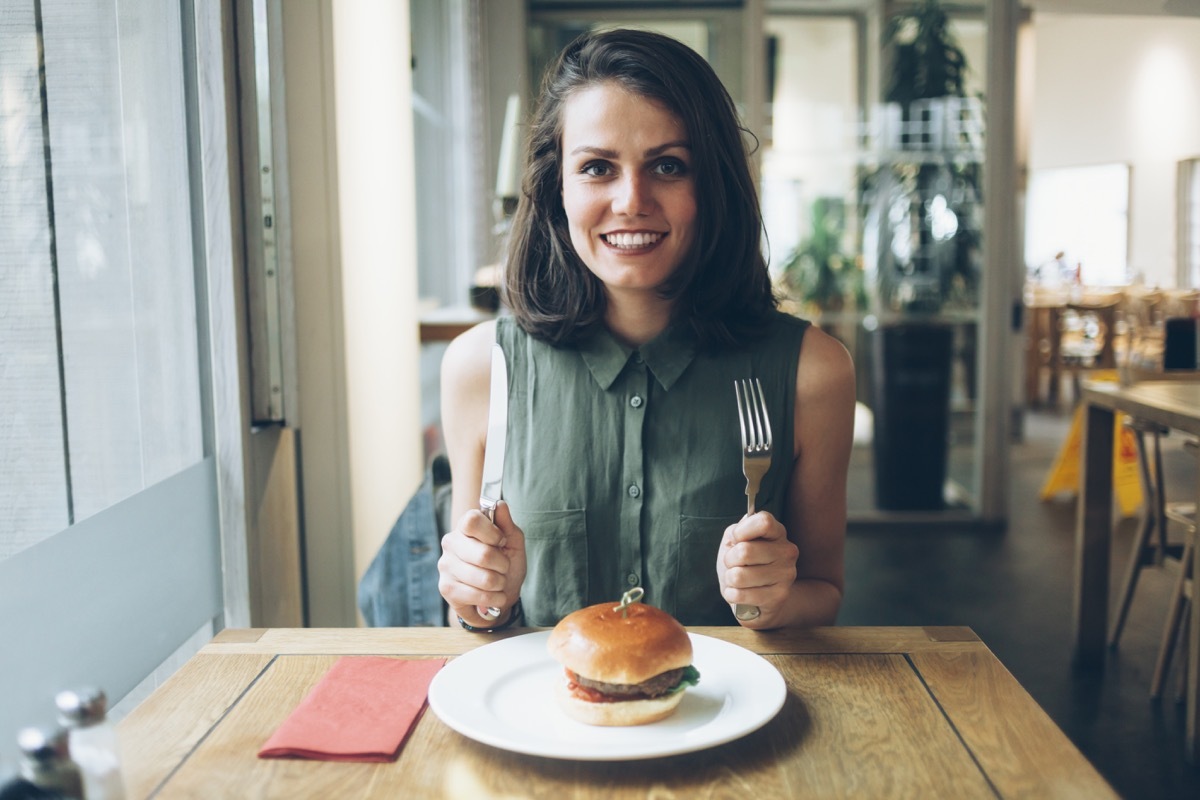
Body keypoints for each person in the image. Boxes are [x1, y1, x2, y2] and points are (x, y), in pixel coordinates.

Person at [436, 28, 855, 631]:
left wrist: (773, 598)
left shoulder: (814, 373)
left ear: (711, 186)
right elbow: (476, 611)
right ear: (558, 189)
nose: (631, 200)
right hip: (548, 718)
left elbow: (825, 590)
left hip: (727, 719)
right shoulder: (482, 369)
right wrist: (480, 594)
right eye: (598, 167)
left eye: (668, 165)